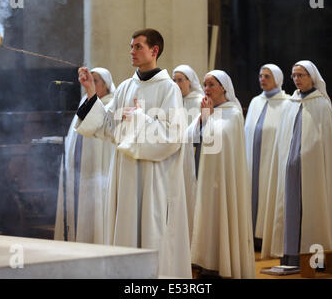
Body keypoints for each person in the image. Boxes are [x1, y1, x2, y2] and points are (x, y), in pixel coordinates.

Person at [74, 28, 191, 278]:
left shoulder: (169, 89)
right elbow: (107, 127)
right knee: (125, 231)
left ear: (154, 50)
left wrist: (138, 118)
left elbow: (173, 137)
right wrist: (91, 93)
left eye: (138, 46)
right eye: (131, 47)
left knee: (151, 231)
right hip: (124, 174)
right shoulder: (126, 87)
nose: (132, 52)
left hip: (153, 177)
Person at [261, 60, 332, 268]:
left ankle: (315, 261)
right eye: (294, 75)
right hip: (290, 171)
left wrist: (308, 155)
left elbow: (325, 143)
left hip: (313, 171)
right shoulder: (290, 104)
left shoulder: (322, 104)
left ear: (312, 77)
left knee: (314, 209)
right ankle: (290, 256)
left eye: (301, 75)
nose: (297, 79)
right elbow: (282, 141)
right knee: (288, 209)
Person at [189, 70, 255, 279]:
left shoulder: (233, 113)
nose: (206, 89)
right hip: (207, 178)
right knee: (207, 219)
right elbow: (190, 138)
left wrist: (208, 120)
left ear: (224, 87)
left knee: (223, 217)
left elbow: (222, 143)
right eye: (205, 85)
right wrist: (204, 118)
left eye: (211, 85)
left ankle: (223, 265)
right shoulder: (207, 111)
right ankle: (207, 263)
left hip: (224, 181)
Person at [54, 68, 116, 243]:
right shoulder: (85, 101)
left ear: (106, 85)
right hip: (79, 169)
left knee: (95, 210)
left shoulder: (110, 104)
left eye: (96, 81)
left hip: (98, 171)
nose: (92, 84)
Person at [244, 64, 290, 250]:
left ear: (277, 79)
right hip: (252, 161)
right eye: (261, 75)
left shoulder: (286, 103)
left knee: (267, 195)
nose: (262, 79)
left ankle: (266, 237)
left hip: (271, 161)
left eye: (267, 76)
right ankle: (250, 236)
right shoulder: (256, 101)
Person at [172, 64, 204, 241]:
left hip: (194, 156)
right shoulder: (173, 101)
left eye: (180, 80)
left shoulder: (199, 100)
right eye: (174, 80)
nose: (176, 84)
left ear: (189, 82)